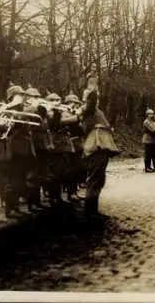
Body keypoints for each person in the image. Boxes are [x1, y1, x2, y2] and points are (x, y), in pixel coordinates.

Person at [64, 88, 120, 219]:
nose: (97, 100)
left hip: (101, 146)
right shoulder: (89, 108)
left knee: (99, 180)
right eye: (94, 98)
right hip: (96, 146)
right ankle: (89, 213)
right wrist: (92, 90)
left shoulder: (94, 111)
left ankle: (93, 211)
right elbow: (91, 100)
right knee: (95, 179)